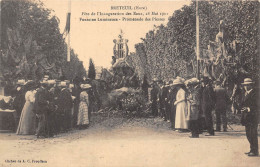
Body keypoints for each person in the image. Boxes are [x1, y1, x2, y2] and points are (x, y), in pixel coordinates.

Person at [240, 78, 259, 156]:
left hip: (253, 117)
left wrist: (248, 109)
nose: (246, 87)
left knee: (253, 134)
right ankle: (252, 149)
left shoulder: (255, 94)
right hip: (246, 117)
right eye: (245, 85)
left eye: (247, 85)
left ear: (251, 85)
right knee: (248, 134)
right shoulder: (245, 93)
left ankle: (255, 151)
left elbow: (258, 106)